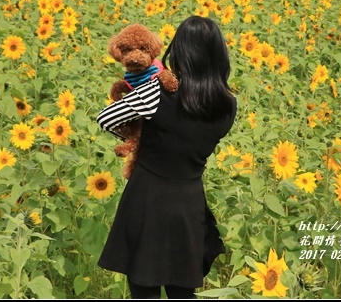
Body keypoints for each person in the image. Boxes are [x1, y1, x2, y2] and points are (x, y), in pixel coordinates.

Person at [96, 16, 237, 299]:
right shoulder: (227, 103)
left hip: (147, 196)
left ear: (179, 50)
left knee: (144, 287)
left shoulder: (158, 90)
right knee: (182, 289)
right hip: (188, 202)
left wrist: (135, 137)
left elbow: (107, 117)